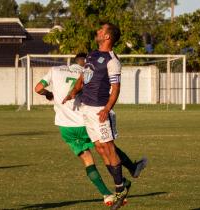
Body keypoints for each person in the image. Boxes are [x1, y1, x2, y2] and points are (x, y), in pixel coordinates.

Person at [34, 53, 147, 206]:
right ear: (85, 63)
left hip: (65, 126)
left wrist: (49, 94)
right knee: (108, 148)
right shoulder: (87, 73)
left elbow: (38, 88)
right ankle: (130, 171)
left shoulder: (55, 70)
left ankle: (106, 194)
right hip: (84, 122)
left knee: (87, 160)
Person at [62, 23, 130, 210]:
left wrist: (107, 108)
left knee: (108, 148)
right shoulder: (92, 54)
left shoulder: (112, 61)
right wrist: (73, 92)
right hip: (86, 108)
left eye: (101, 31)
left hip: (100, 109)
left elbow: (116, 88)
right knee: (100, 149)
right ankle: (122, 183)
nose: (97, 32)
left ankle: (120, 189)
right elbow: (83, 77)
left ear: (108, 37)